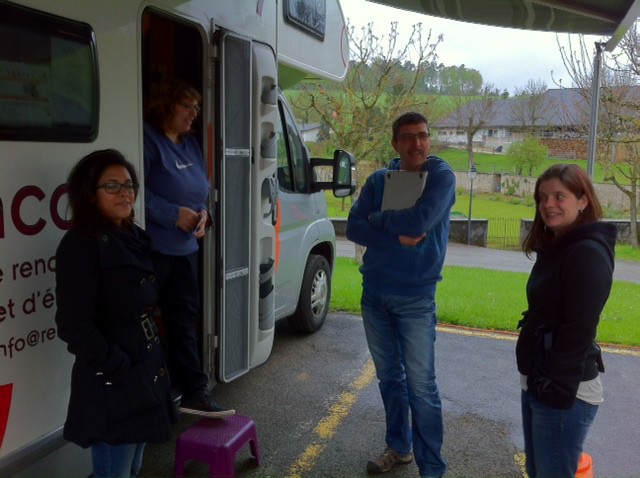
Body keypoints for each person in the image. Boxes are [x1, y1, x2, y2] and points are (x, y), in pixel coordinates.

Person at [55, 149, 176, 478]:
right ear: (89, 194)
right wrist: (119, 368)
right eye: (112, 186)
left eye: (129, 184)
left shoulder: (133, 237)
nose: (125, 192)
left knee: (133, 468)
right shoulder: (81, 245)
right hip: (113, 388)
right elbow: (74, 326)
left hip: (142, 376)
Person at [346, 112, 455, 478]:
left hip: (415, 298)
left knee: (422, 387)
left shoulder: (441, 177)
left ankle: (433, 470)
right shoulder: (379, 181)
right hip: (374, 293)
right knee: (389, 378)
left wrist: (379, 220)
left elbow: (419, 221)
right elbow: (353, 228)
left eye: (423, 135)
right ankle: (399, 447)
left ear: (430, 139)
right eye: (408, 137)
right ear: (395, 143)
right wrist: (390, 233)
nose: (417, 144)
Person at [517, 164, 616, 478]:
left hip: (564, 392)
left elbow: (579, 330)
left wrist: (551, 386)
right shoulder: (558, 246)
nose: (549, 204)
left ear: (583, 200)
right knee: (538, 471)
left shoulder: (586, 253)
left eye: (560, 196)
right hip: (541, 382)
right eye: (543, 197)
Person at [143, 79, 233, 417]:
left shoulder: (191, 144)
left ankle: (195, 392)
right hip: (154, 250)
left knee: (183, 322)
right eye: (187, 107)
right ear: (167, 106)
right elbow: (136, 192)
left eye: (196, 108)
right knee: (144, 323)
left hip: (185, 253)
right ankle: (150, 394)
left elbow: (202, 191)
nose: (194, 114)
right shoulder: (148, 140)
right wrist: (172, 215)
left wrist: (204, 216)